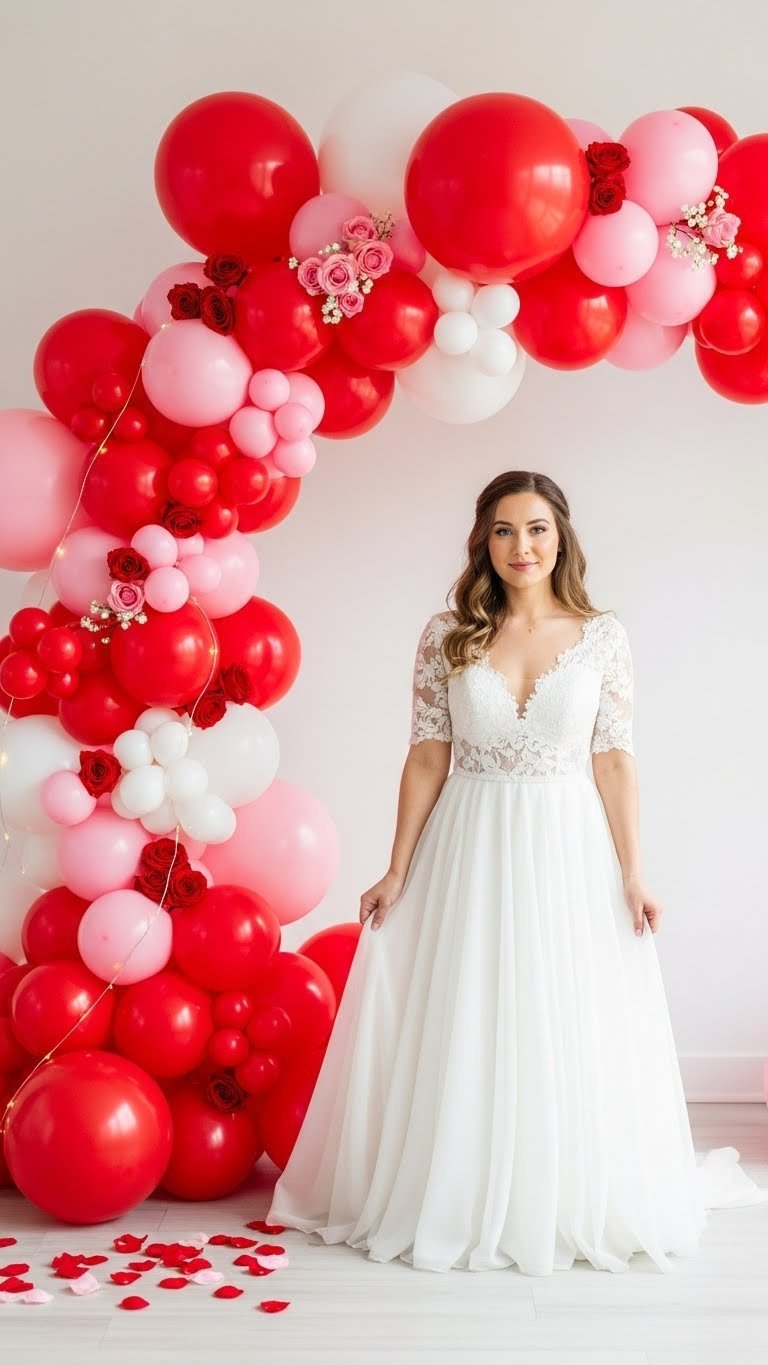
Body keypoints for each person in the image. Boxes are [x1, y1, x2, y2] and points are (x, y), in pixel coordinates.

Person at [267, 470, 767, 1274]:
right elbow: (428, 755)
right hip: (471, 837)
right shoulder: (446, 633)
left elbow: (613, 759)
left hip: (568, 843)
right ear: (483, 542)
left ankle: (561, 1190)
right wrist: (396, 868)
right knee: (472, 1006)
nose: (521, 546)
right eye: (504, 530)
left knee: (559, 1007)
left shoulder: (602, 635)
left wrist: (635, 872)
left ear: (561, 536)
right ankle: (459, 1187)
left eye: (536, 529)